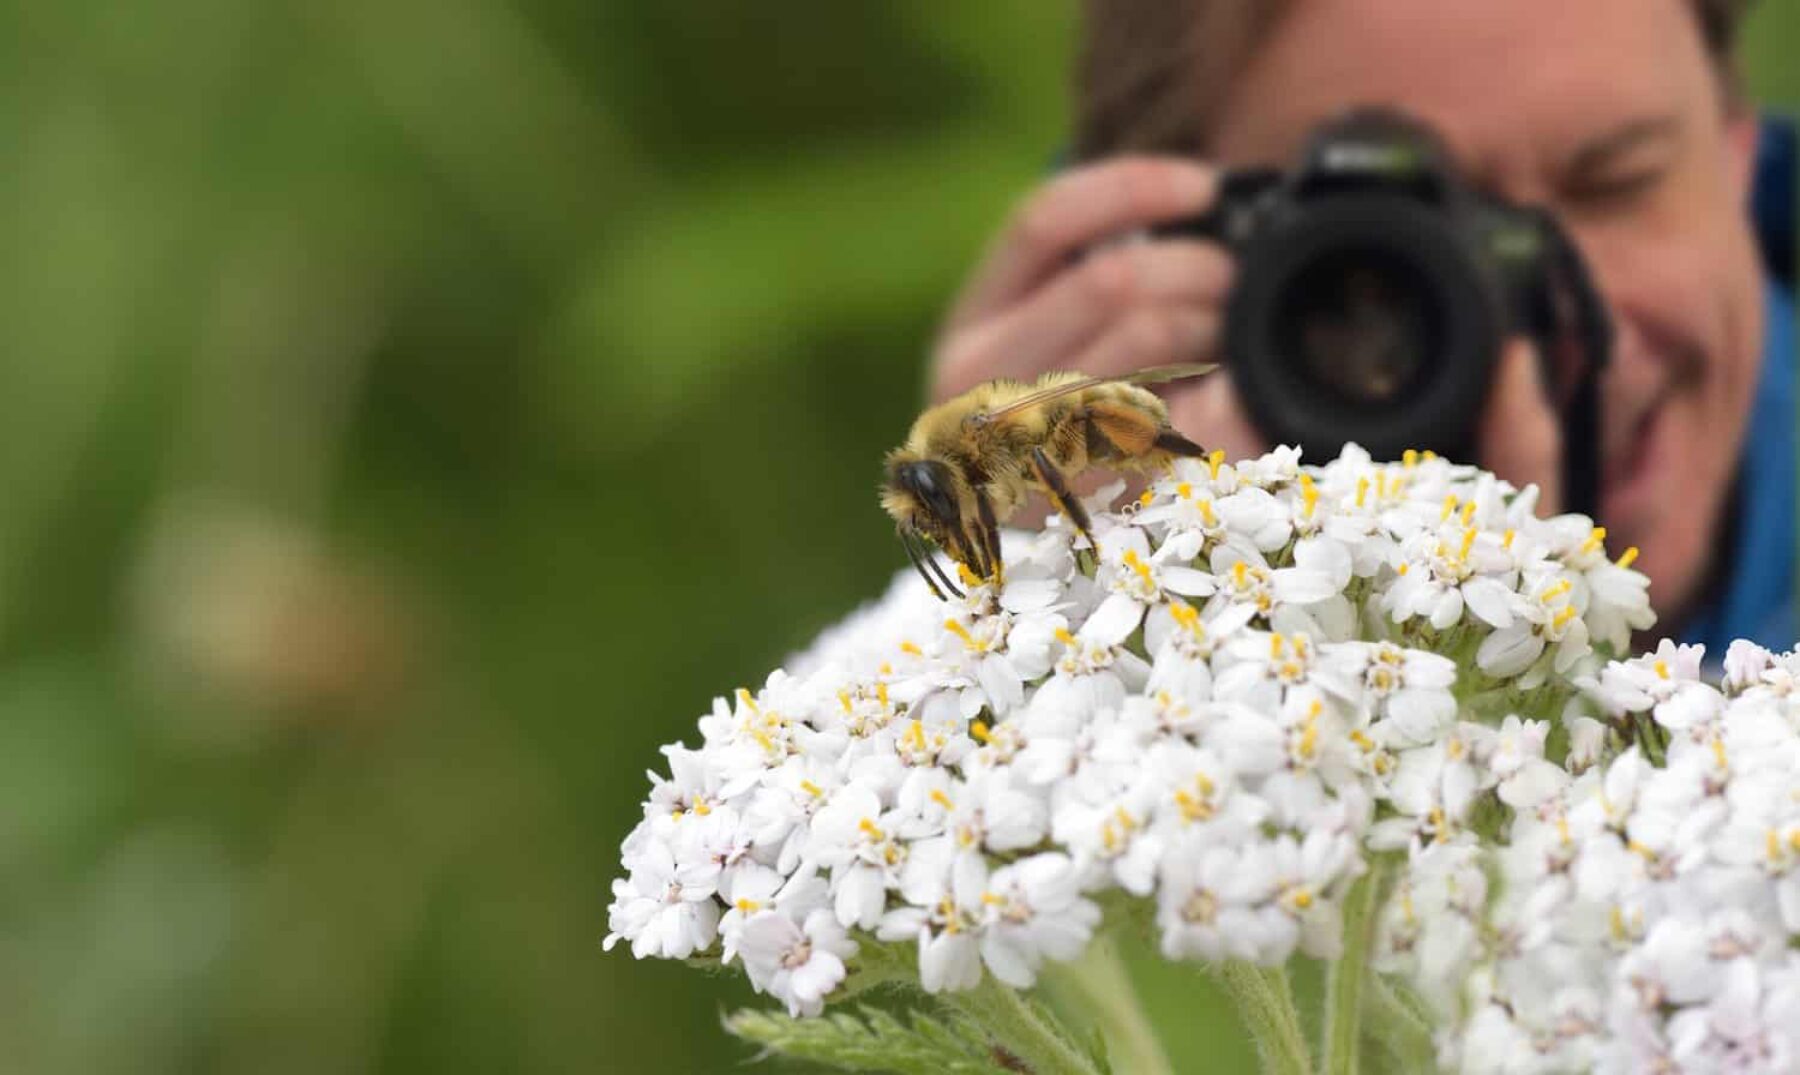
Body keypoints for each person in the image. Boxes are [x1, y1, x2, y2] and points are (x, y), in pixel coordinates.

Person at [930, 0, 1795, 652]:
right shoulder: (1114, 592)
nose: (1559, 322)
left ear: (1739, 162)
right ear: (1151, 265)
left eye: (1617, 182)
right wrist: (1075, 611)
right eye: (1378, 273)